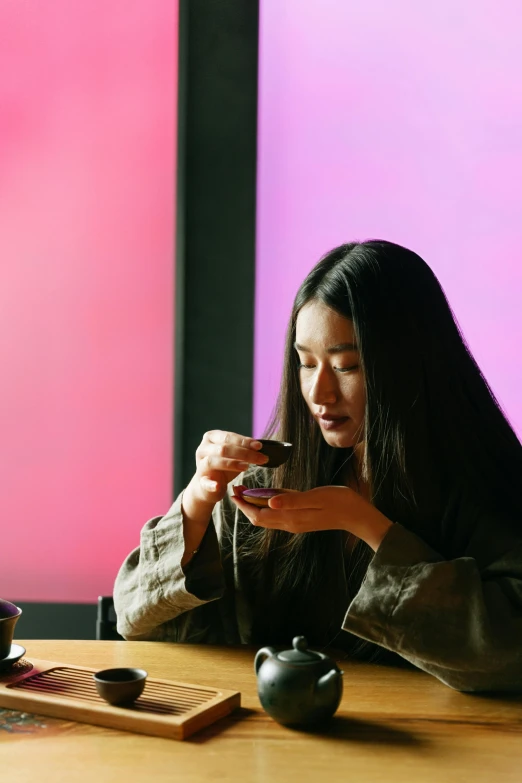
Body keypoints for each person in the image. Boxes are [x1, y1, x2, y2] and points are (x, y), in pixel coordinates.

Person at [113, 240, 522, 693]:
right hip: (274, 746)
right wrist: (195, 503)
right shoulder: (268, 488)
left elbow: (508, 654)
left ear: (408, 366)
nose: (319, 392)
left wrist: (365, 524)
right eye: (306, 363)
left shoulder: (486, 487)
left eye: (346, 366)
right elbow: (134, 619)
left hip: (441, 751)